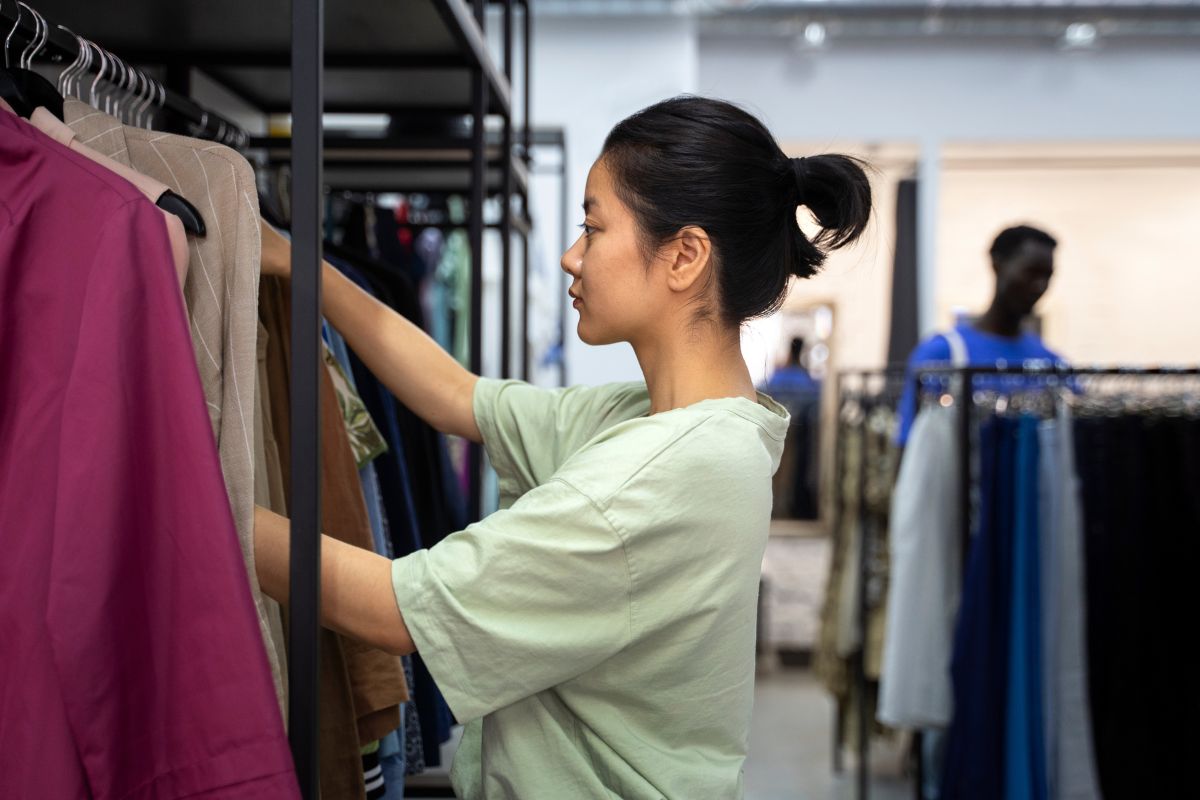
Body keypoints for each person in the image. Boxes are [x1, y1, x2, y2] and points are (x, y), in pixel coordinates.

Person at [253, 96, 872, 799]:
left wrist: (184, 496)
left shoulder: (661, 475)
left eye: (592, 226)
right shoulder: (674, 423)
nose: (571, 255)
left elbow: (397, 611)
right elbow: (458, 396)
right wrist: (303, 265)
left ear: (685, 256)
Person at [896, 224, 1065, 445]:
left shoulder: (1052, 363)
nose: (1039, 286)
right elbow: (911, 447)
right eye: (1030, 272)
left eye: (1047, 276)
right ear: (998, 264)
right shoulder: (941, 354)